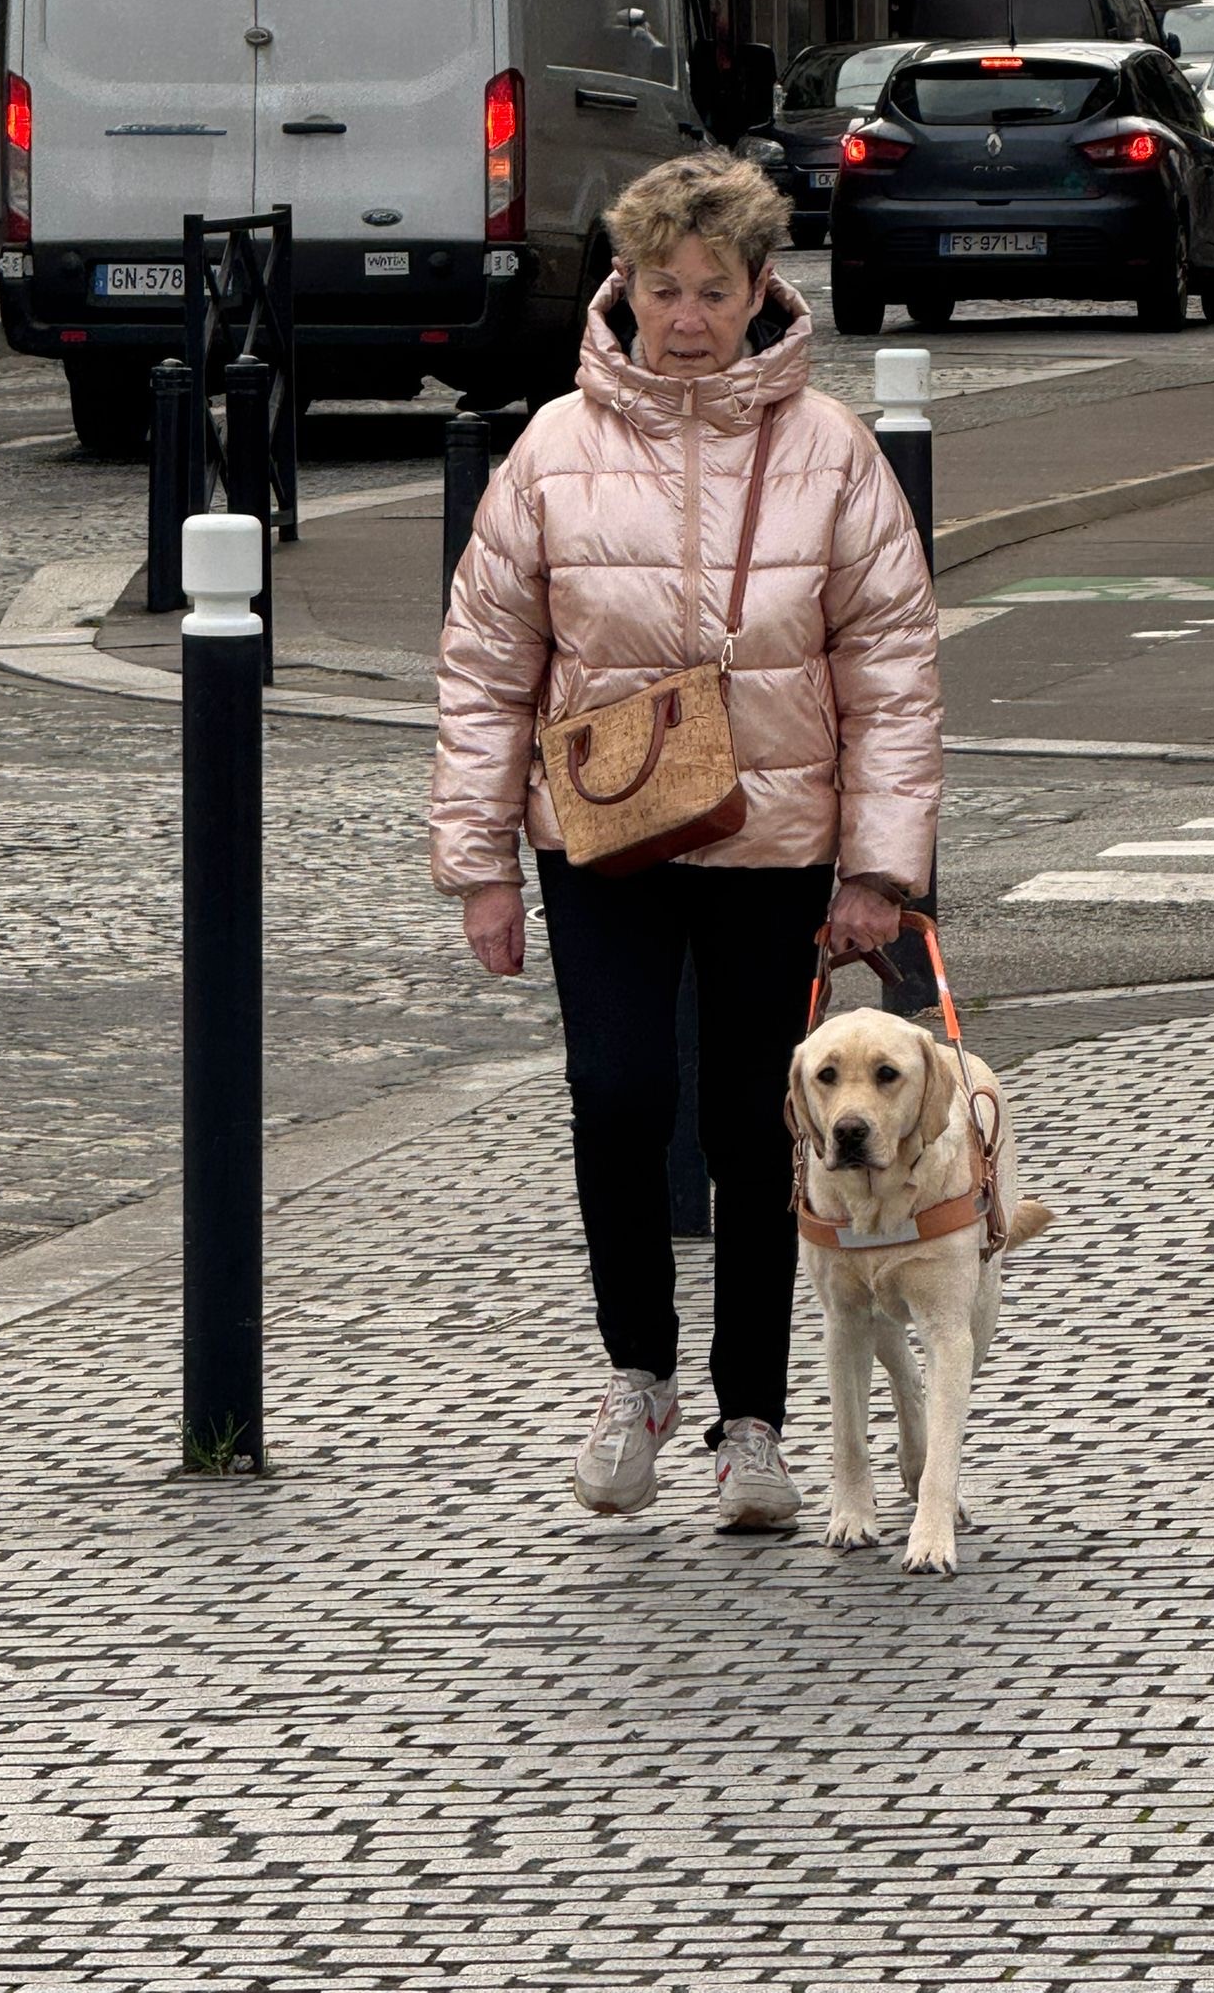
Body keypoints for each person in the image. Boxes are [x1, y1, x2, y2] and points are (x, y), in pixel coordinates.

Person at [431, 152, 941, 1532]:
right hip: (600, 836)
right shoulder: (551, 449)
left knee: (751, 1124)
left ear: (760, 288)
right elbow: (487, 666)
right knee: (615, 1094)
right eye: (665, 290)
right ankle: (637, 1376)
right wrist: (481, 864)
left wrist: (880, 870)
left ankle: (753, 1420)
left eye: (715, 291)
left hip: (775, 838)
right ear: (628, 289)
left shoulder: (830, 449)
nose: (690, 318)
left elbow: (890, 667)